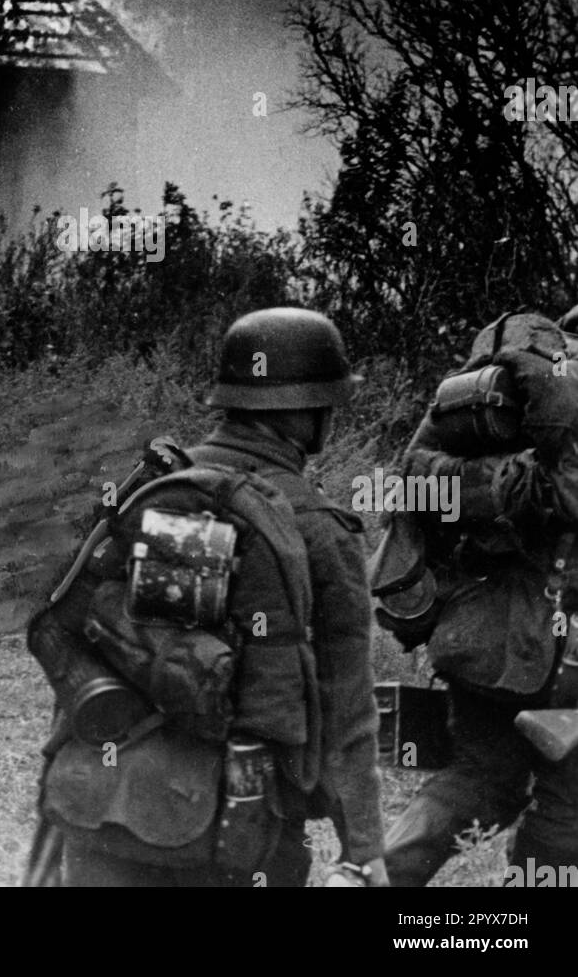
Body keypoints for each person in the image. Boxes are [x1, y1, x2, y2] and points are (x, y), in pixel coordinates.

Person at [29, 307, 388, 887]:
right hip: (232, 834)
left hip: (98, 802)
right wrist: (364, 848)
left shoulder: (152, 488)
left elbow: (92, 641)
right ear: (306, 411)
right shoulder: (320, 530)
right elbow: (346, 708)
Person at [378, 309, 578, 886]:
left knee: (479, 778)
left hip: (485, 634)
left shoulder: (515, 371)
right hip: (564, 649)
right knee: (568, 803)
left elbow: (411, 476)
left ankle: (365, 878)